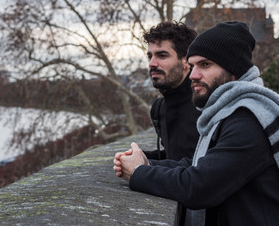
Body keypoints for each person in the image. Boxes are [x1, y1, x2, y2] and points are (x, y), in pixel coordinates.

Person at [113, 21, 279, 226]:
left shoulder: (248, 120)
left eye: (205, 65)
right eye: (193, 66)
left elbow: (199, 186)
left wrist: (140, 173)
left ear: (233, 69)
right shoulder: (224, 113)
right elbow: (197, 163)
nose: (193, 75)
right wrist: (147, 163)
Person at [116, 21, 200, 166]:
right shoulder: (159, 108)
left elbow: (203, 167)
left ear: (186, 61)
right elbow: (175, 156)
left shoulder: (206, 104)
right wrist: (138, 157)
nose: (152, 63)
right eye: (150, 56)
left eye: (162, 56)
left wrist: (146, 166)